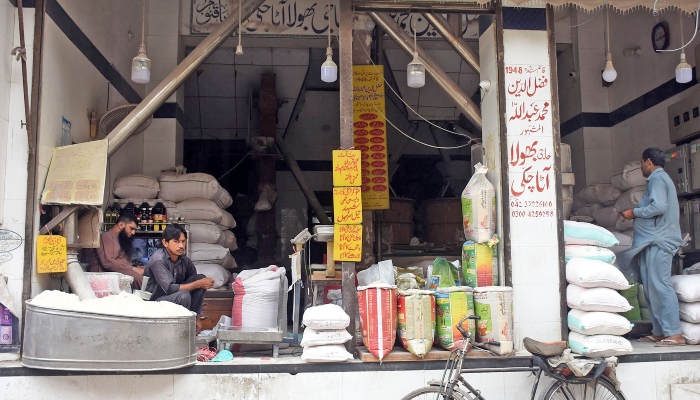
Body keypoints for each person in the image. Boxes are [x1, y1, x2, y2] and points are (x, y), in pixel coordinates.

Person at [618, 147, 685, 347]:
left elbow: (659, 207)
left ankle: (674, 333)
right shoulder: (658, 180)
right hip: (650, 241)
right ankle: (659, 331)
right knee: (649, 287)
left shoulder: (657, 178)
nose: (641, 167)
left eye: (641, 163)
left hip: (660, 240)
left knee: (660, 285)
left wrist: (635, 212)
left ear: (648, 161)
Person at [144, 224, 214, 330]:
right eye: (176, 241)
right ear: (165, 243)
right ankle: (183, 330)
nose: (181, 245)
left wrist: (198, 317)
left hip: (175, 298)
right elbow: (170, 288)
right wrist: (198, 284)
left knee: (199, 278)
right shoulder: (158, 260)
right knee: (184, 295)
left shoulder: (184, 260)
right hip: (155, 302)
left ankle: (194, 320)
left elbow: (195, 286)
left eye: (183, 241)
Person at [89, 212, 143, 289]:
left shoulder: (122, 239)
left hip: (121, 272)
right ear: (121, 225)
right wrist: (133, 269)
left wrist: (139, 268)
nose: (133, 232)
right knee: (140, 280)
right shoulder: (106, 237)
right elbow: (107, 262)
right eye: (131, 228)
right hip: (105, 276)